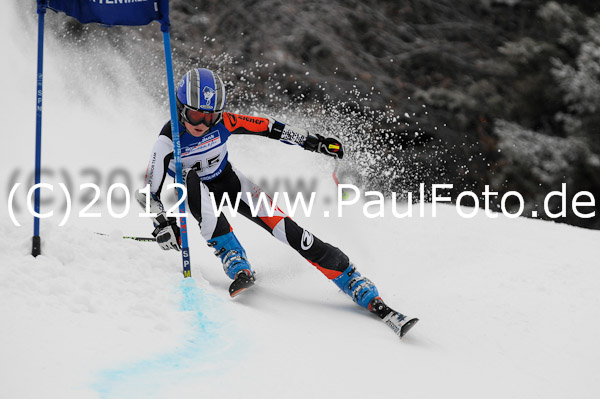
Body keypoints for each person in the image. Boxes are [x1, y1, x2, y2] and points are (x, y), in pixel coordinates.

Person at [135, 68, 418, 338]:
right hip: (194, 193)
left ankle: (352, 278)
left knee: (289, 230)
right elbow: (149, 194)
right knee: (192, 182)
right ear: (181, 108)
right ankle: (231, 255)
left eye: (210, 117)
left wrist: (314, 142)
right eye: (196, 116)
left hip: (230, 183)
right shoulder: (167, 141)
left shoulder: (225, 122)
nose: (202, 125)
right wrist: (163, 223)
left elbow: (270, 128)